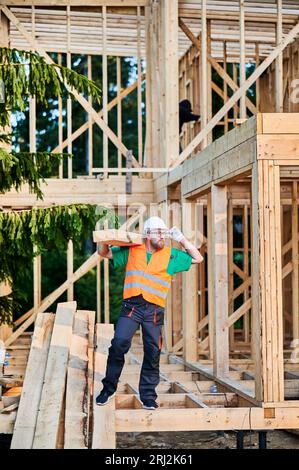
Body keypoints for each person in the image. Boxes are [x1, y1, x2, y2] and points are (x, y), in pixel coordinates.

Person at [95, 216, 203, 410]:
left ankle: (148, 396)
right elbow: (104, 253)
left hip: (153, 311)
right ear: (147, 234)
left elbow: (198, 258)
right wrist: (106, 237)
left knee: (152, 352)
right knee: (119, 344)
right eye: (158, 232)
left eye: (164, 232)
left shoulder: (171, 255)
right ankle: (108, 389)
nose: (162, 236)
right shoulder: (132, 250)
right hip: (132, 307)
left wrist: (182, 239)